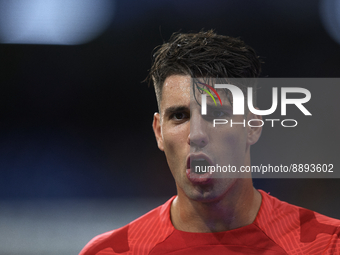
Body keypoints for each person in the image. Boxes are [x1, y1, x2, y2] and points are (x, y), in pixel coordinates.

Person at [79, 30, 340, 255]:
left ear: (253, 126)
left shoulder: (329, 246)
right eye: (179, 116)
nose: (196, 134)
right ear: (159, 132)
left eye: (216, 114)